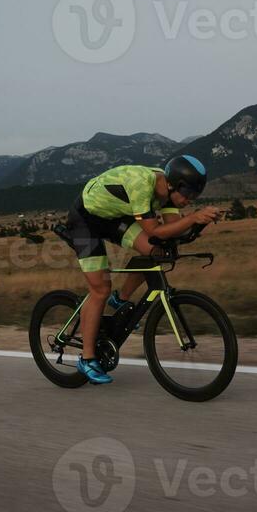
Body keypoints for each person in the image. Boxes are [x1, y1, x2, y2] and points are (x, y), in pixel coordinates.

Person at [63, 155, 220, 385]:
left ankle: (121, 299)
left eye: (195, 197)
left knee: (156, 252)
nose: (189, 201)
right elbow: (156, 231)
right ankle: (87, 358)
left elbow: (172, 232)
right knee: (100, 289)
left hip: (113, 217)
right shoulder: (141, 184)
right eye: (188, 195)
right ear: (174, 185)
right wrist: (194, 217)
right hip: (86, 220)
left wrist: (200, 223)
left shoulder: (168, 193)